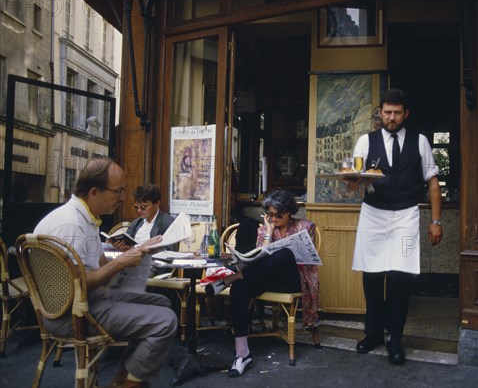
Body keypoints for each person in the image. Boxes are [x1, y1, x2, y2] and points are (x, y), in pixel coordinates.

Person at [34, 158, 178, 387]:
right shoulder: (70, 225)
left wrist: (136, 254)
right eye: (118, 191)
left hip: (83, 304)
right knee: (165, 321)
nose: (122, 198)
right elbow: (77, 286)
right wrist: (121, 263)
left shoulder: (85, 220)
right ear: (94, 192)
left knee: (162, 303)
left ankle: (123, 376)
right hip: (73, 315)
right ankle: (130, 383)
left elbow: (98, 268)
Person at [346, 89, 443, 365]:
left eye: (397, 113)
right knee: (373, 277)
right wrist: (350, 181)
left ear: (406, 114)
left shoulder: (420, 141)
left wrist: (436, 222)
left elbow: (432, 183)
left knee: (401, 279)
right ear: (380, 112)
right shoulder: (366, 141)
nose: (391, 117)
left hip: (407, 216)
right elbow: (355, 183)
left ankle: (394, 339)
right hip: (373, 216)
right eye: (387, 112)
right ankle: (374, 333)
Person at [205, 189, 319, 377]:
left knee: (285, 254)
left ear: (289, 211)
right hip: (265, 277)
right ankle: (242, 353)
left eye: (277, 215)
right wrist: (269, 232)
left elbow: (307, 261)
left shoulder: (306, 227)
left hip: (293, 279)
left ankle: (231, 277)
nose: (273, 218)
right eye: (269, 214)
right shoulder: (265, 228)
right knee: (239, 289)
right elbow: (259, 257)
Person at [111, 184, 176, 251]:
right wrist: (123, 246)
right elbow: (128, 243)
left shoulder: (168, 223)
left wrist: (141, 250)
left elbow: (169, 250)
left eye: (143, 207)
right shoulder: (136, 223)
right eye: (136, 207)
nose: (139, 210)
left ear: (157, 203)